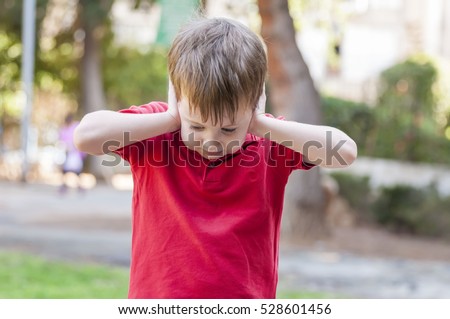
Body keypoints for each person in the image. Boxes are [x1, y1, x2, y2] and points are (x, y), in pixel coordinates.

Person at [74, 17, 357, 298]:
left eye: (228, 129)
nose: (211, 141)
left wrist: (260, 125)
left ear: (256, 102)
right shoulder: (154, 133)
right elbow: (86, 136)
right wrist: (172, 117)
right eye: (196, 126)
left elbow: (344, 152)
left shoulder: (268, 145)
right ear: (176, 96)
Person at [59, 114, 86, 194]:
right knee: (65, 170)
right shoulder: (63, 129)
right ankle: (64, 185)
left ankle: (79, 185)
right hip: (68, 152)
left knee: (77, 170)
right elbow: (61, 140)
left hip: (76, 152)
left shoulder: (75, 126)